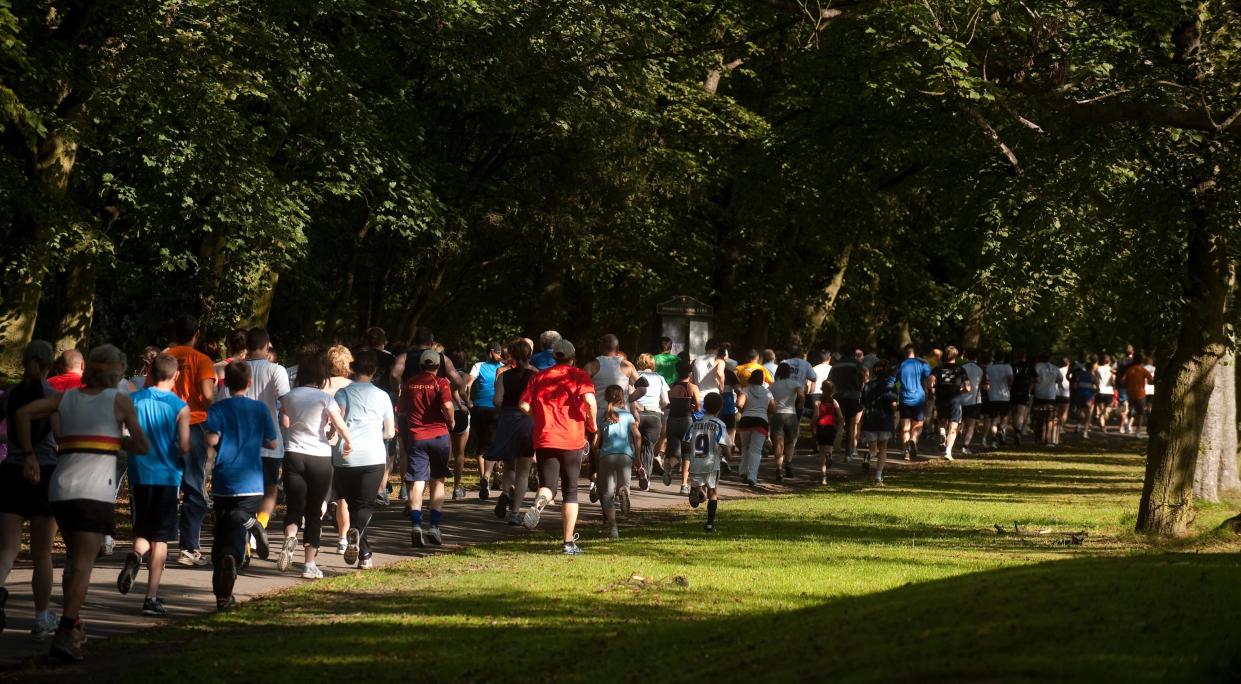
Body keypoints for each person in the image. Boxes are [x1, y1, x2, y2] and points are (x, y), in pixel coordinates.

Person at [15, 345, 149, 661]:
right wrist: (119, 440)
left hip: (61, 488)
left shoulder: (66, 398)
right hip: (94, 491)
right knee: (82, 564)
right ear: (117, 372)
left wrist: (28, 454)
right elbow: (141, 445)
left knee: (74, 559)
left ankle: (73, 625)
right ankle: (64, 631)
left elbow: (22, 413)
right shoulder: (120, 401)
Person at [117, 354, 190, 617]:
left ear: (149, 372)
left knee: (144, 528)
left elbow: (119, 435)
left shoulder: (132, 401)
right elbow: (183, 446)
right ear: (176, 376)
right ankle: (151, 597)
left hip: (139, 475)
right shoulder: (180, 406)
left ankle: (136, 555)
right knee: (161, 538)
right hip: (167, 476)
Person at [204, 361, 277, 611]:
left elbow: (212, 439)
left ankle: (222, 595)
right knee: (237, 531)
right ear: (249, 383)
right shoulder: (260, 409)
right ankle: (251, 527)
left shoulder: (218, 408)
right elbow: (272, 442)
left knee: (223, 532)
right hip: (252, 479)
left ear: (226, 383)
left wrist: (212, 438)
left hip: (224, 478)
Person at [0, 341, 59, 640]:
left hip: (11, 471)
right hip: (44, 472)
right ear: (50, 364)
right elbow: (60, 435)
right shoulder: (53, 397)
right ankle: (40, 618)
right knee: (42, 554)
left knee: (7, 548)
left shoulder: (10, 395)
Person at [278, 349, 353, 578]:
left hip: (293, 454)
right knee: (313, 511)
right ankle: (309, 564)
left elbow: (285, 421)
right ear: (321, 375)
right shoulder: (325, 398)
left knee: (294, 507)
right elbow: (339, 425)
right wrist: (348, 442)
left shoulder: (289, 397)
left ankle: (290, 537)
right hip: (319, 457)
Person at [519, 338, 597, 555]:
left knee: (549, 486)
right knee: (571, 490)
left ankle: (538, 505)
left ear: (554, 356)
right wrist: (592, 425)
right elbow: (590, 402)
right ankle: (568, 543)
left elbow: (523, 405)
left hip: (545, 437)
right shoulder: (580, 375)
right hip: (572, 438)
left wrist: (540, 416)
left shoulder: (539, 376)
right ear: (572, 357)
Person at [159, 314, 217, 567]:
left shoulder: (165, 358)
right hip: (194, 425)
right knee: (194, 485)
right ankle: (189, 547)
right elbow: (206, 395)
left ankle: (156, 542)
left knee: (167, 483)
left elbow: (154, 388)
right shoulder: (201, 360)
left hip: (165, 425)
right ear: (197, 334)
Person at [229, 328, 290, 557]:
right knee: (270, 490)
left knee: (245, 493)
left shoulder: (237, 369)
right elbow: (286, 402)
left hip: (241, 442)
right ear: (267, 346)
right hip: (269, 440)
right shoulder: (276, 370)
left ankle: (248, 533)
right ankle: (259, 528)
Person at [333, 350, 395, 569]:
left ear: (352, 369)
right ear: (375, 371)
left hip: (345, 457)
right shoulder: (383, 396)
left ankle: (365, 555)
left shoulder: (342, 393)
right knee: (366, 505)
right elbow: (389, 432)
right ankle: (357, 535)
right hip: (372, 456)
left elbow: (336, 423)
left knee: (352, 505)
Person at [399, 349, 455, 548]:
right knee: (438, 479)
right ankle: (434, 526)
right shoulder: (441, 382)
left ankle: (416, 525)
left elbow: (402, 410)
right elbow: (448, 405)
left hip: (417, 436)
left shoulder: (410, 383)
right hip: (439, 435)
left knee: (417, 481)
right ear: (437, 366)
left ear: (421, 365)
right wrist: (451, 420)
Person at [486, 339, 537, 525]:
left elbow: (497, 400)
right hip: (527, 421)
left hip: (507, 420)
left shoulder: (503, 376)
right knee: (524, 471)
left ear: (512, 356)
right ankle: (515, 513)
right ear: (530, 355)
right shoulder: (536, 376)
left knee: (509, 465)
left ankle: (506, 492)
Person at [594, 385, 640, 539]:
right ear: (622, 397)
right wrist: (637, 456)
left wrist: (596, 454)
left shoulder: (603, 417)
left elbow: (595, 442)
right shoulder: (628, 416)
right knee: (624, 486)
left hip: (607, 456)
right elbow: (637, 436)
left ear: (606, 397)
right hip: (625, 455)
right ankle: (624, 492)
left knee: (607, 494)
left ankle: (613, 528)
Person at [323, 344, 353, 553]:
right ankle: (343, 538)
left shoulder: (321, 385)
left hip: (322, 445)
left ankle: (313, 532)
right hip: (345, 446)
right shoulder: (353, 387)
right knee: (344, 496)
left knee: (321, 494)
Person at [467, 341, 505, 501]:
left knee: (481, 445)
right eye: (498, 352)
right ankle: (489, 477)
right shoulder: (503, 367)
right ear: (491, 352)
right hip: (496, 409)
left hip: (479, 409)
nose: (500, 355)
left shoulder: (477, 366)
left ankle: (484, 478)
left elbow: (467, 385)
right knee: (493, 443)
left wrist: (468, 402)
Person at [684, 392, 727, 532]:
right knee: (713, 492)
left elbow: (685, 441)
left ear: (704, 406)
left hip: (696, 462)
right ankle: (709, 524)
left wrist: (691, 452)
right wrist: (729, 455)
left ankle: (696, 490)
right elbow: (724, 444)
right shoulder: (719, 424)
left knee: (699, 487)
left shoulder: (696, 424)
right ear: (720, 408)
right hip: (711, 463)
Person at [633, 353, 669, 491]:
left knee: (633, 443)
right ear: (653, 363)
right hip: (654, 415)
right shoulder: (659, 378)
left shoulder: (634, 374)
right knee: (648, 447)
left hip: (636, 413)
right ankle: (646, 477)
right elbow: (665, 401)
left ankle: (635, 467)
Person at [664, 359, 700, 493]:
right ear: (690, 373)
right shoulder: (692, 387)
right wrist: (692, 407)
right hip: (687, 421)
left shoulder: (671, 386)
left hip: (672, 420)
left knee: (676, 452)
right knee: (687, 454)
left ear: (677, 372)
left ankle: (670, 466)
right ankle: (684, 485)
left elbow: (667, 403)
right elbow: (698, 407)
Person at [860, 360, 898, 485]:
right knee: (883, 448)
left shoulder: (867, 385)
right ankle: (878, 476)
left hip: (870, 420)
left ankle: (870, 455)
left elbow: (863, 403)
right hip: (884, 420)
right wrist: (894, 412)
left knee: (873, 448)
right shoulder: (890, 386)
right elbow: (893, 404)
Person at [736, 369, 775, 487]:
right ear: (762, 380)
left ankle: (743, 472)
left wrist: (743, 411)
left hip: (746, 421)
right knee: (756, 451)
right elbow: (773, 409)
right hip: (761, 422)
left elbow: (739, 404)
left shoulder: (746, 390)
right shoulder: (767, 392)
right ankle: (752, 477)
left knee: (745, 448)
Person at [931, 347, 971, 460]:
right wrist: (960, 390)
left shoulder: (938, 368)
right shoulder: (960, 369)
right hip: (955, 399)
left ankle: (942, 432)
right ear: (956, 356)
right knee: (953, 425)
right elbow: (968, 388)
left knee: (942, 421)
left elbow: (930, 380)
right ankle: (948, 452)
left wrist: (932, 387)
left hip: (941, 398)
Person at [828, 349, 866, 460]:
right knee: (851, 424)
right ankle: (848, 453)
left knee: (837, 423)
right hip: (853, 396)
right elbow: (861, 377)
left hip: (838, 396)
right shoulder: (856, 363)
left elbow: (830, 380)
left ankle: (829, 451)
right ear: (853, 353)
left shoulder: (836, 364)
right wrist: (859, 388)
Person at [768, 362, 804, 480]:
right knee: (791, 442)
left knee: (779, 443)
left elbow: (769, 400)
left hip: (777, 415)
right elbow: (801, 394)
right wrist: (800, 404)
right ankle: (788, 462)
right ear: (789, 372)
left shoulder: (773, 386)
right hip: (791, 414)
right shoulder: (795, 383)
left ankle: (779, 469)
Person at [897, 344, 931, 460]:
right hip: (919, 398)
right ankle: (914, 439)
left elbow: (892, 381)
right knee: (918, 425)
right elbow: (929, 378)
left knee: (905, 427)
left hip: (904, 398)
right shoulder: (923, 363)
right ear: (916, 352)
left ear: (905, 353)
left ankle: (906, 453)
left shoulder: (901, 365)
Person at [814, 380, 843, 485]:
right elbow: (840, 416)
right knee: (829, 448)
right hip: (831, 427)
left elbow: (816, 416)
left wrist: (812, 424)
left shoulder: (818, 401)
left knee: (821, 452)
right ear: (833, 391)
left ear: (822, 389)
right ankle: (829, 455)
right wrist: (840, 425)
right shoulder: (834, 402)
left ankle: (823, 477)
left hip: (821, 427)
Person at [984, 351, 1013, 448]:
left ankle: (993, 439)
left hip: (992, 396)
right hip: (1004, 396)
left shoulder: (989, 368)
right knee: (1004, 417)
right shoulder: (1007, 367)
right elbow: (1010, 380)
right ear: (1003, 358)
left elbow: (986, 381)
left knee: (993, 420)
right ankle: (1001, 431)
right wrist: (1008, 386)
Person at [959, 349, 985, 454]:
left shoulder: (961, 367)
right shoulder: (980, 369)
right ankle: (965, 447)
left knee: (960, 422)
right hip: (975, 400)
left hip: (961, 399)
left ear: (966, 356)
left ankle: (955, 438)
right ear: (976, 357)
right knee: (971, 425)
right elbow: (984, 385)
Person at [1032, 354, 1060, 446]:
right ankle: (1048, 439)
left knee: (1039, 417)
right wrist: (1052, 382)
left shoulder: (1037, 366)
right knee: (1050, 418)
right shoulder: (1056, 368)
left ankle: (1039, 438)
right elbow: (1060, 379)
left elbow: (1034, 378)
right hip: (1051, 395)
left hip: (1039, 394)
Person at [1008, 350, 1035, 445]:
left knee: (1013, 412)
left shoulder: (1011, 365)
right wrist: (1030, 388)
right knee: (1020, 413)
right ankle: (1018, 431)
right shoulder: (1030, 366)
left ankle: (1015, 431)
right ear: (1025, 356)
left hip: (1013, 391)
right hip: (1024, 391)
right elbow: (1037, 379)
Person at [1123, 358, 1155, 438]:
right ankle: (1138, 432)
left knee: (1132, 409)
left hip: (1130, 394)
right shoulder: (1142, 370)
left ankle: (1132, 411)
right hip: (1141, 394)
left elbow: (1123, 380)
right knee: (1141, 414)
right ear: (1141, 362)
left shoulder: (1129, 370)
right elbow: (1151, 379)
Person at [1071, 354, 1097, 437]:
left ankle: (1078, 426)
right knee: (1088, 415)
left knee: (1081, 412)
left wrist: (1078, 390)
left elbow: (1074, 386)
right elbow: (1097, 388)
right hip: (1089, 397)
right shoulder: (1093, 377)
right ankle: (1085, 432)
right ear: (1092, 368)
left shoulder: (1080, 375)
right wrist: (1094, 392)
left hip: (1080, 396)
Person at [1094, 354, 1116, 433]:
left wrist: (1097, 387)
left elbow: (1095, 380)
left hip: (1100, 391)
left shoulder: (1098, 369)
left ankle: (1103, 427)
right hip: (1109, 391)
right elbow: (1113, 381)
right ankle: (1104, 415)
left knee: (1100, 409)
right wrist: (1114, 385)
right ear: (1109, 361)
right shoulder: (1112, 370)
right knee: (1107, 409)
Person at [809, 349, 833, 418]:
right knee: (827, 415)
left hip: (815, 394)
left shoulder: (814, 369)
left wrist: (810, 392)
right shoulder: (832, 369)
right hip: (828, 394)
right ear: (830, 358)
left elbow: (809, 383)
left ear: (819, 359)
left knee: (816, 414)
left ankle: (814, 428)